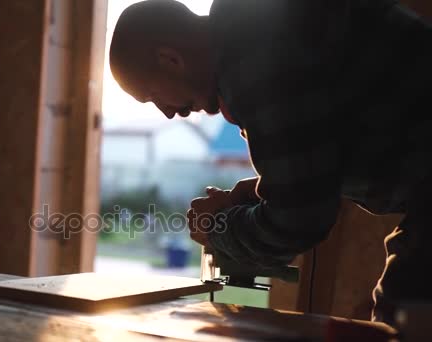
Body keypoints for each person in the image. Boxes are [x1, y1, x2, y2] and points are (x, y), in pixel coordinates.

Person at [109, 0, 431, 326]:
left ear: (170, 59)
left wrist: (218, 226)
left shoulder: (253, 57)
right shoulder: (251, 31)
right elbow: (320, 157)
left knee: (403, 322)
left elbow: (299, 220)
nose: (167, 113)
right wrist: (265, 192)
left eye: (152, 97)